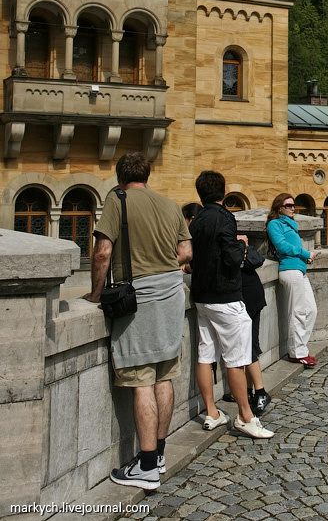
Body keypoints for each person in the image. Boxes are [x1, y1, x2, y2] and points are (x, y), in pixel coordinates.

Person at [84, 151, 192, 490]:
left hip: (139, 298)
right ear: (147, 175)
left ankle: (145, 467)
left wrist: (94, 294)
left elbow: (102, 252)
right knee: (164, 375)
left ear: (120, 177)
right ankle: (158, 455)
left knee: (141, 378)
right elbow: (187, 253)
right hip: (172, 293)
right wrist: (162, 264)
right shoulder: (170, 203)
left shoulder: (118, 200)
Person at [190, 170, 274, 439]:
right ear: (223, 192)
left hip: (201, 295)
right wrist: (241, 245)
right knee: (237, 358)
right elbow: (229, 256)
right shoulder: (225, 217)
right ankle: (244, 416)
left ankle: (212, 413)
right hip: (225, 295)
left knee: (206, 354)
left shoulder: (197, 219)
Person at [266, 193, 318, 366]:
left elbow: (293, 247)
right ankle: (297, 352)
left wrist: (305, 258)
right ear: (279, 207)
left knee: (311, 310)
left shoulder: (291, 224)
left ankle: (301, 347)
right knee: (298, 311)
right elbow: (282, 246)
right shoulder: (275, 224)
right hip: (290, 270)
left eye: (293, 205)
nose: (293, 208)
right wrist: (305, 253)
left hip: (300, 269)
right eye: (288, 205)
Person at [223, 243, 271, 415]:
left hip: (246, 295)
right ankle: (249, 391)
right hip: (253, 292)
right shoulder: (237, 242)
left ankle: (260, 392)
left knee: (248, 346)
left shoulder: (226, 243)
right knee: (251, 344)